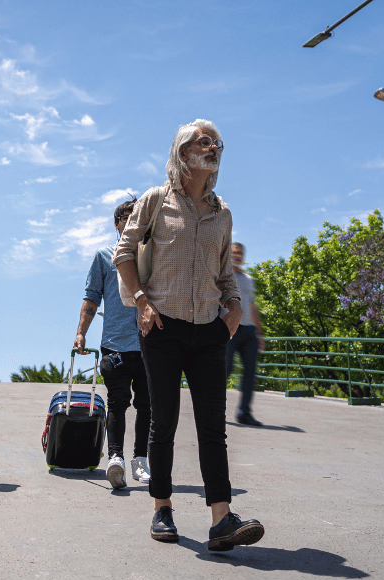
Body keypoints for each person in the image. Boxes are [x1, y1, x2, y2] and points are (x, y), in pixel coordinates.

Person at [113, 119, 265, 550]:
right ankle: (162, 508)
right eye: (204, 141)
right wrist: (142, 300)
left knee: (213, 428)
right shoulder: (156, 201)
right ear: (184, 153)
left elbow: (225, 274)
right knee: (164, 422)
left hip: (211, 330)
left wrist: (234, 309)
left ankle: (221, 519)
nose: (214, 146)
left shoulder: (223, 212)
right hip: (162, 328)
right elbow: (123, 252)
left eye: (216, 142)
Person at [74, 198, 151, 489]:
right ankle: (115, 458)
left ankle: (140, 460)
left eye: (138, 218)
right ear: (117, 223)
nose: (133, 222)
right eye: (127, 218)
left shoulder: (151, 255)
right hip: (116, 343)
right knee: (117, 403)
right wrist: (81, 332)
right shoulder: (104, 256)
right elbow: (92, 297)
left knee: (147, 406)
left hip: (149, 342)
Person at [225, 242, 266, 426]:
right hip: (229, 330)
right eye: (234, 253)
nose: (238, 256)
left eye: (240, 253)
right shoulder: (223, 275)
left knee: (250, 372)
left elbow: (252, 306)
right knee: (225, 370)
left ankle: (244, 413)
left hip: (248, 330)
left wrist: (259, 333)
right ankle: (213, 410)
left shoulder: (248, 279)